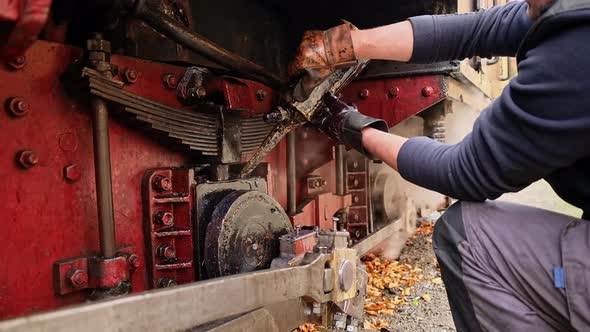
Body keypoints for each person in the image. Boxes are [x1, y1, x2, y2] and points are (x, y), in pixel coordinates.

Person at [288, 0, 590, 331]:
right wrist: (341, 46)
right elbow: (478, 29)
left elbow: (466, 172)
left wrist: (352, 125)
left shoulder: (577, 46)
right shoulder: (565, 9)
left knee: (465, 235)